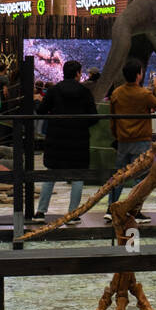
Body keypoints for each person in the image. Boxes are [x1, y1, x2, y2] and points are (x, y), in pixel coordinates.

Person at [34, 60, 98, 223]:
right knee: (77, 176)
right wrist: (81, 125)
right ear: (78, 73)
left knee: (51, 174)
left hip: (56, 139)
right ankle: (72, 214)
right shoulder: (84, 92)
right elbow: (94, 117)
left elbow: (41, 110)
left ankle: (40, 212)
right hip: (79, 141)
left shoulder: (54, 91)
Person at [107, 60, 156, 222]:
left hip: (123, 140)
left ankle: (111, 208)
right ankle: (135, 210)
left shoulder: (117, 93)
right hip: (141, 141)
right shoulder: (144, 94)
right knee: (141, 178)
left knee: (118, 175)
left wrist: (116, 136)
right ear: (139, 75)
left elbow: (113, 119)